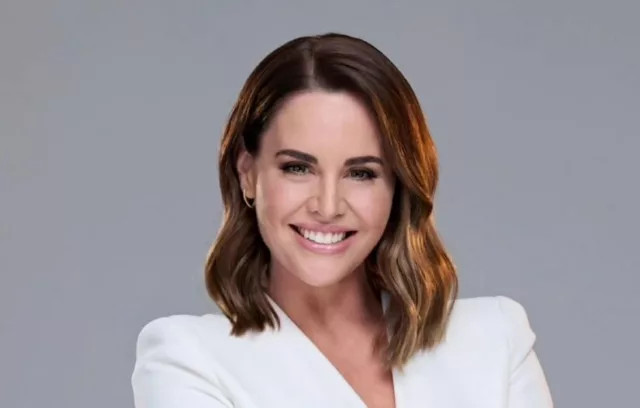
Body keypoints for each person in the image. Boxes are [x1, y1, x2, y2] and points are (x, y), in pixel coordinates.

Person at [131, 33, 553, 408]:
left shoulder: (496, 340)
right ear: (248, 173)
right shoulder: (186, 360)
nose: (328, 205)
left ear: (398, 185)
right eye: (298, 168)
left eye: (361, 173)